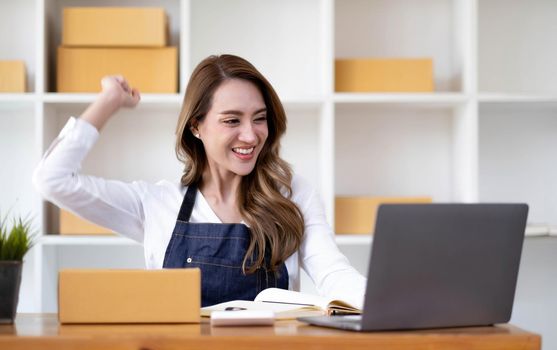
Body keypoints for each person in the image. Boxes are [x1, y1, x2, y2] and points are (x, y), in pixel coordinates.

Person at [33, 54, 366, 307]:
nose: (250, 135)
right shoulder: (158, 204)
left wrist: (384, 305)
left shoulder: (292, 195)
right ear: (196, 126)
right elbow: (52, 179)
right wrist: (110, 100)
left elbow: (334, 274)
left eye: (260, 118)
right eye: (232, 120)